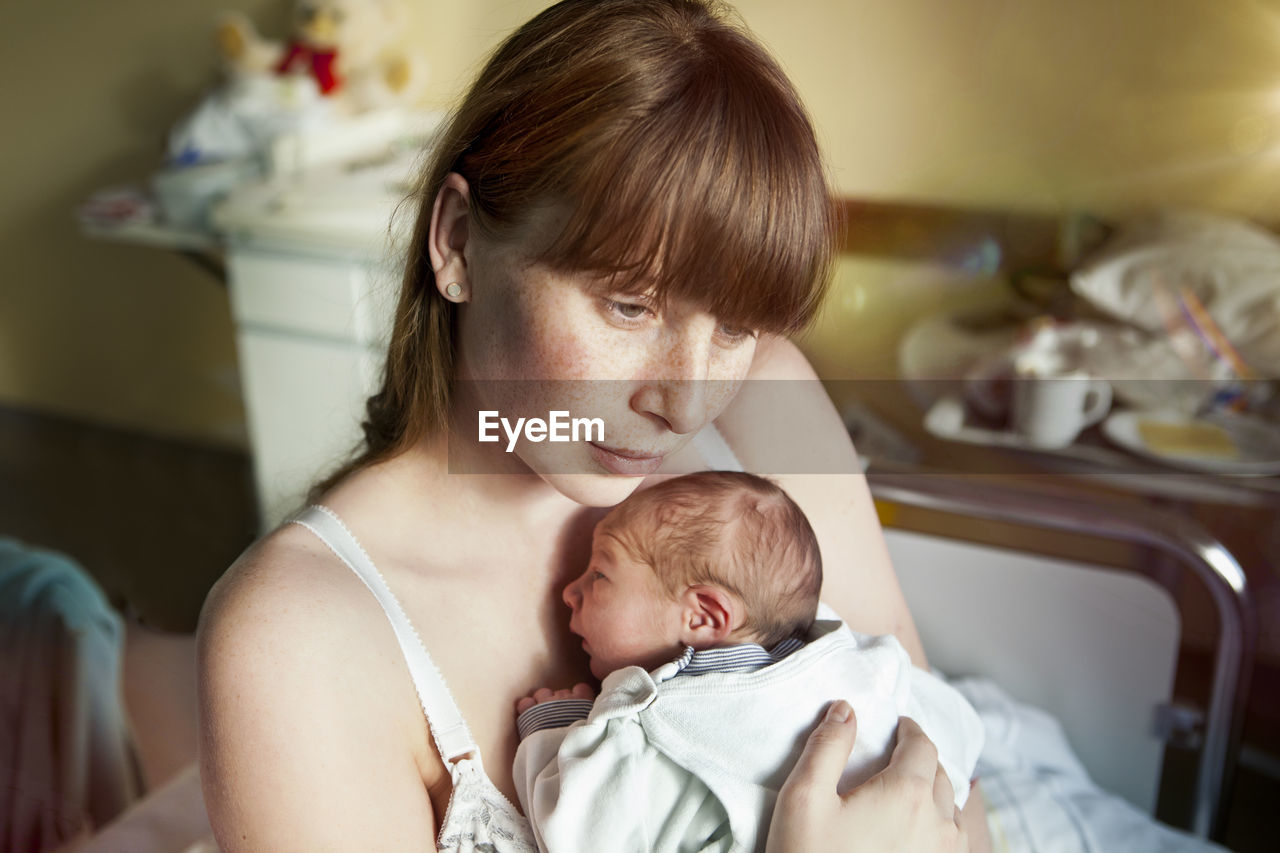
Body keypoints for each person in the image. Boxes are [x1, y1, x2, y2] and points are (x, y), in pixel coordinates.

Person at [197, 1, 990, 851]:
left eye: (732, 326)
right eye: (629, 304)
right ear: (460, 242)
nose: (684, 404)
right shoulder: (298, 639)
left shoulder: (767, 404)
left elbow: (950, 786)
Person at [511, 471, 984, 852]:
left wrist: (557, 732)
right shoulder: (859, 658)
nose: (569, 592)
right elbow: (952, 723)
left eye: (600, 573)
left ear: (702, 615)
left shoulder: (665, 727)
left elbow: (580, 829)